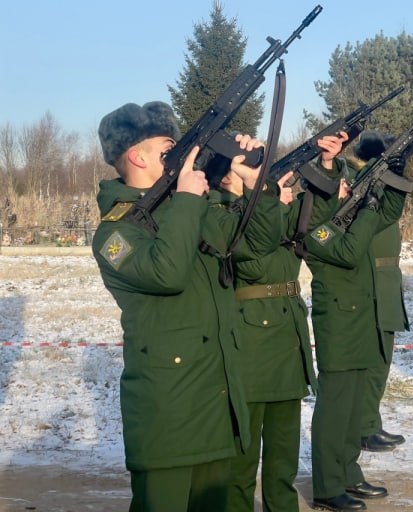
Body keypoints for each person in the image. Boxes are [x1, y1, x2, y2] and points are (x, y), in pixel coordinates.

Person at [92, 101, 282, 511]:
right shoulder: (114, 232)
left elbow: (257, 244)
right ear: (136, 156)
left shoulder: (188, 208)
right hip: (169, 416)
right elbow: (168, 272)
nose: (179, 154)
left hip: (216, 402)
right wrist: (188, 201)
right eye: (167, 147)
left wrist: (256, 182)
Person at [219, 133, 347, 512]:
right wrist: (265, 197)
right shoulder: (224, 218)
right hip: (251, 344)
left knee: (283, 455)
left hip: (287, 341)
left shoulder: (273, 212)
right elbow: (252, 252)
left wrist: (326, 164)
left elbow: (318, 215)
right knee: (242, 459)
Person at [295, 150, 408, 511]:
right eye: (341, 185)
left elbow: (388, 214)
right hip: (339, 327)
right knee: (335, 411)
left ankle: (348, 473)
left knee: (354, 408)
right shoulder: (316, 228)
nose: (347, 188)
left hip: (360, 322)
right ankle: (328, 485)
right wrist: (368, 207)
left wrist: (394, 177)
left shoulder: (345, 219)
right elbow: (349, 250)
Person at [346, 132, 408, 453]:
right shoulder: (364, 183)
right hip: (372, 280)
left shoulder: (380, 182)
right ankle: (365, 427)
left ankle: (370, 422)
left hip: (386, 279)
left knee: (382, 358)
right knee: (374, 360)